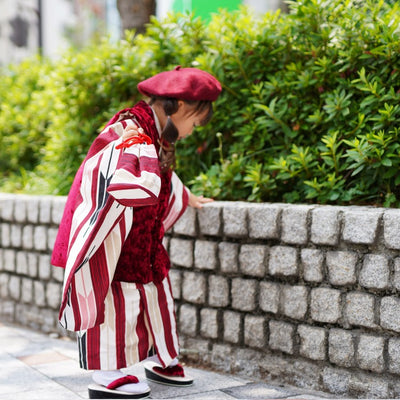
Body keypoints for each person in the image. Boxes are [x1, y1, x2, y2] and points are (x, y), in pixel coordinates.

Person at [51, 66, 222, 399]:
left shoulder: (155, 132)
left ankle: (162, 357)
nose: (190, 132)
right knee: (113, 299)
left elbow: (161, 179)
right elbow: (117, 172)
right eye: (194, 123)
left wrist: (184, 195)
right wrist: (135, 172)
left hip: (142, 235)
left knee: (157, 293)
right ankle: (105, 370)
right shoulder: (131, 129)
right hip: (115, 235)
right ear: (181, 107)